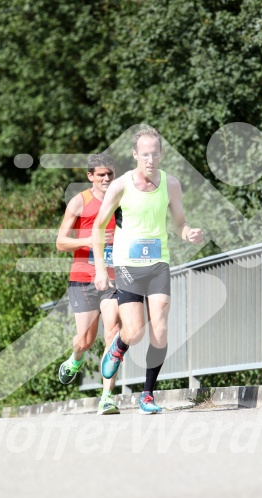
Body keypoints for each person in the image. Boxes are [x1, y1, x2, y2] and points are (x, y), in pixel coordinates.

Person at [93, 128, 203, 414]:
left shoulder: (171, 184)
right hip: (128, 267)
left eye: (155, 153)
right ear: (135, 155)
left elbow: (180, 222)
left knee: (161, 328)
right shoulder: (120, 186)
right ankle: (119, 346)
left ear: (161, 154)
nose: (151, 159)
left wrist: (188, 232)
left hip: (157, 265)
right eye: (145, 154)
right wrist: (101, 269)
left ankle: (147, 395)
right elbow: (98, 226)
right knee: (134, 332)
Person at [56, 153, 120, 415]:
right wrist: (91, 240)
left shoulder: (121, 200)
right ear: (90, 176)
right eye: (101, 174)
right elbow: (60, 242)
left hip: (113, 277)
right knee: (85, 340)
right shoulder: (79, 202)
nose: (106, 179)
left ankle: (107, 396)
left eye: (110, 174)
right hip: (83, 278)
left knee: (113, 331)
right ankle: (76, 358)